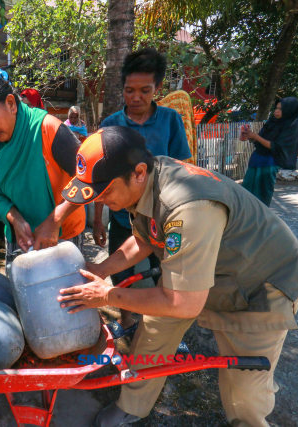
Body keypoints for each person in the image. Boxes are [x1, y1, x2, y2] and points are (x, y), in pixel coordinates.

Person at [57, 127, 298, 427]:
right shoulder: (149, 174)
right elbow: (146, 237)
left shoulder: (189, 207)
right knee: (152, 332)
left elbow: (182, 302)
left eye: (105, 191)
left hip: (258, 280)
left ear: (137, 173)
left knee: (244, 390)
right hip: (201, 269)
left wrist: (107, 295)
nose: (101, 199)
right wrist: (100, 271)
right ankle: (133, 404)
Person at [93, 48, 193, 338]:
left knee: (168, 273)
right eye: (129, 90)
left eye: (145, 90)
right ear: (121, 88)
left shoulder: (170, 121)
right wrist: (98, 220)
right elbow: (99, 180)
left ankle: (170, 334)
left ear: (157, 88)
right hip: (122, 219)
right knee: (120, 271)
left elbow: (180, 169)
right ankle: (126, 322)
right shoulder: (110, 124)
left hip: (163, 217)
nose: (136, 97)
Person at [0, 60, 85, 274]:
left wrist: (55, 220)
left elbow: (88, 178)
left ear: (11, 103)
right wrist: (14, 218)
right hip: (20, 238)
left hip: (64, 235)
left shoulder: (48, 129)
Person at [241, 97, 298, 206]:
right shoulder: (272, 121)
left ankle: (261, 219)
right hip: (257, 158)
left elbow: (276, 146)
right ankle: (245, 216)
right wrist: (250, 135)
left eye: (281, 109)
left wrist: (256, 136)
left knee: (262, 192)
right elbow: (262, 139)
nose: (277, 111)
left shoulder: (290, 126)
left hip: (270, 162)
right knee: (246, 189)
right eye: (276, 108)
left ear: (289, 110)